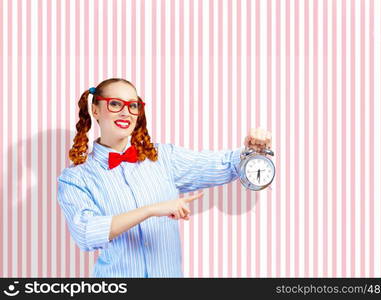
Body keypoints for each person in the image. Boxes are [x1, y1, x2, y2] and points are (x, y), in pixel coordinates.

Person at [57, 78, 272, 277]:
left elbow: (223, 164)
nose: (126, 112)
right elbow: (86, 233)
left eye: (133, 105)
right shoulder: (76, 178)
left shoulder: (164, 158)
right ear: (95, 109)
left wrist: (252, 150)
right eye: (115, 104)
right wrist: (151, 209)